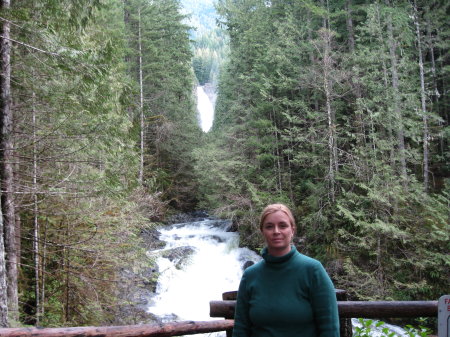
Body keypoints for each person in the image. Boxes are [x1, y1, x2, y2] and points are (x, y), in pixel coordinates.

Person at [232, 203, 340, 337]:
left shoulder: (313, 270)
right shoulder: (250, 276)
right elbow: (241, 328)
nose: (276, 231)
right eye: (269, 226)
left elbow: (329, 329)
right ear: (262, 231)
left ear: (292, 230)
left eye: (282, 225)